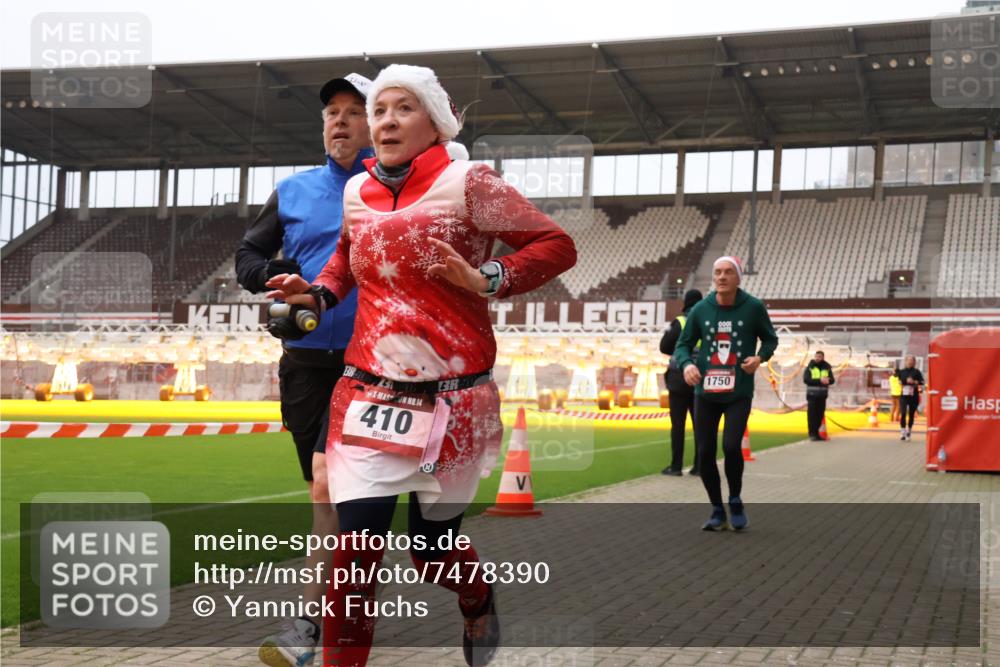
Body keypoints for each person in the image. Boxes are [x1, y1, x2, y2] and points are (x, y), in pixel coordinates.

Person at [265, 63, 577, 667]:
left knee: (432, 552)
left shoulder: (470, 183)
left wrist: (485, 276)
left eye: (402, 108)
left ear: (434, 123)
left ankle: (477, 597)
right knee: (354, 559)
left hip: (453, 403)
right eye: (378, 109)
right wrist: (316, 292)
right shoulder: (358, 192)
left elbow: (556, 245)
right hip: (366, 396)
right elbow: (345, 265)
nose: (384, 120)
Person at [234, 72, 374, 667]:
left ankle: (314, 623)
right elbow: (247, 256)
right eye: (330, 113)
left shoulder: (392, 191)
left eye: (352, 111)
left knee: (329, 488)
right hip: (305, 367)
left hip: (371, 365)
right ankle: (351, 600)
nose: (338, 121)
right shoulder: (292, 190)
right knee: (329, 498)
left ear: (378, 124)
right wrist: (276, 278)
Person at [672, 256, 778, 531]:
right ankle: (717, 509)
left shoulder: (753, 307)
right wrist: (687, 365)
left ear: (738, 277)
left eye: (728, 272)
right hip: (705, 392)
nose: (721, 277)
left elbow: (770, 339)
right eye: (717, 272)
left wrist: (759, 358)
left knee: (731, 447)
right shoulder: (700, 309)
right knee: (705, 452)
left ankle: (735, 499)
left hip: (738, 391)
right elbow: (682, 345)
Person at [659, 288, 703, 476]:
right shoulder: (707, 322)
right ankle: (699, 467)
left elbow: (664, 347)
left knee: (678, 426)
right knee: (700, 426)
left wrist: (680, 353)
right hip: (700, 380)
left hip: (678, 379)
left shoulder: (680, 322)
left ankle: (676, 466)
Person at [803, 350, 835, 441]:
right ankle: (812, 434)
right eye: (816, 356)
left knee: (820, 415)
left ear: (823, 357)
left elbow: (832, 380)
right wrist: (820, 380)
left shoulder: (827, 368)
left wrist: (828, 380)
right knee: (812, 415)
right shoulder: (810, 367)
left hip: (822, 395)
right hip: (812, 395)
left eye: (819, 357)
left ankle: (817, 434)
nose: (817, 358)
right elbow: (806, 380)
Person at [894, 355, 924, 441]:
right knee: (903, 413)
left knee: (911, 414)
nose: (910, 362)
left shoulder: (917, 372)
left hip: (913, 395)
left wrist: (914, 381)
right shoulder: (902, 371)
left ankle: (909, 431)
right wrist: (900, 379)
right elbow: (896, 376)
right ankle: (902, 431)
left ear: (914, 362)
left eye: (912, 360)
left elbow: (922, 382)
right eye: (909, 360)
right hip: (904, 395)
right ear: (906, 361)